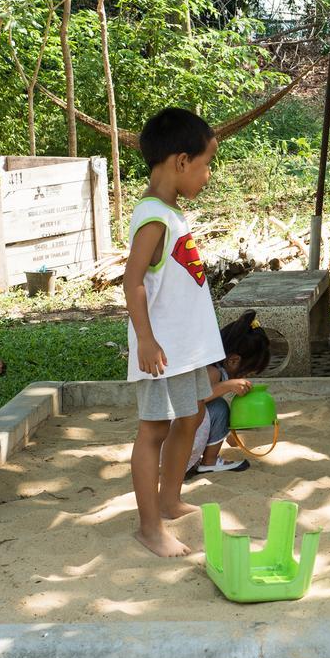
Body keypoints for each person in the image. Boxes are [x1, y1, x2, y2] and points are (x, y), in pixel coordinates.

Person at [123, 107, 223, 557]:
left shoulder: (170, 212)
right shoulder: (153, 218)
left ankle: (169, 498)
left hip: (185, 349)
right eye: (204, 166)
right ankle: (149, 527)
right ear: (181, 162)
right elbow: (132, 280)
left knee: (192, 417)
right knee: (153, 431)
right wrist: (146, 339)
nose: (207, 176)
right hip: (161, 352)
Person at [186, 310, 271, 476]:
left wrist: (231, 435)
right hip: (179, 444)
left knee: (218, 407)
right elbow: (195, 399)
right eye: (247, 372)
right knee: (219, 407)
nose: (245, 377)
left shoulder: (215, 370)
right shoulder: (212, 372)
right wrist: (228, 385)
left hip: (180, 441)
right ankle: (209, 461)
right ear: (233, 360)